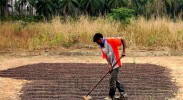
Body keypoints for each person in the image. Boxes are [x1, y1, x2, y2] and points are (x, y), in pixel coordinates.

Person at [93, 33, 127, 100]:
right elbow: (105, 55)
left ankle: (111, 96)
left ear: (100, 39)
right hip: (111, 64)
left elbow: (123, 39)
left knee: (112, 80)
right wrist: (109, 64)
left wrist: (124, 51)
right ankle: (123, 94)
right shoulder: (101, 45)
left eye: (97, 41)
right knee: (115, 79)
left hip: (117, 63)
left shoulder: (110, 40)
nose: (97, 43)